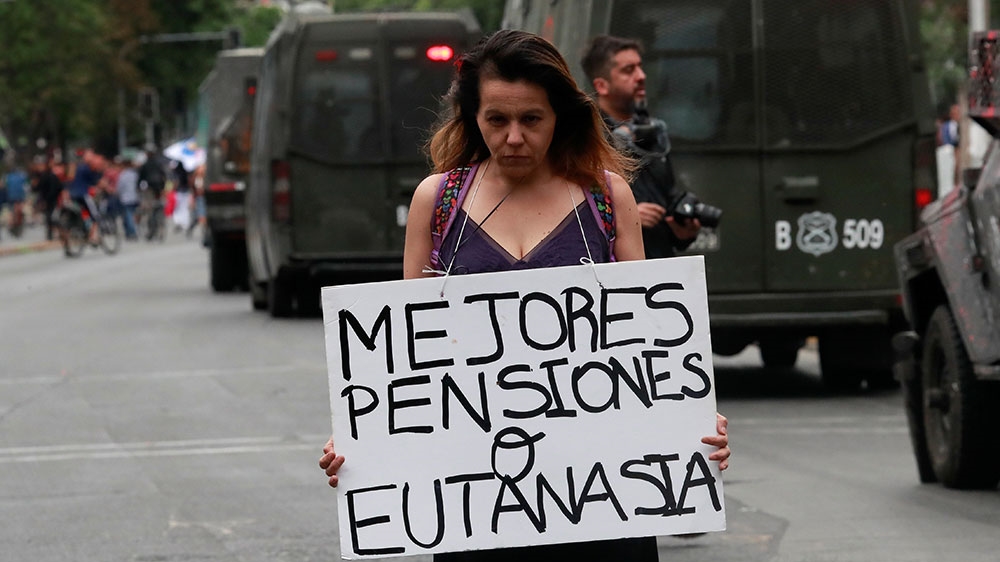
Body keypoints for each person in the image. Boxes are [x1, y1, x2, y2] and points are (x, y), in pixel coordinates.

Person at [319, 29, 730, 562]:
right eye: (497, 120)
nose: (514, 137)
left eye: (531, 119)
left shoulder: (607, 198)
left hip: (603, 507)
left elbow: (650, 356)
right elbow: (407, 368)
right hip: (479, 516)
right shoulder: (437, 203)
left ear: (559, 116)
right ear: (473, 118)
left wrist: (693, 423)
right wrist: (367, 444)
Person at [581, 35, 701, 259]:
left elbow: (666, 196)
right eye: (629, 70)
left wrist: (682, 230)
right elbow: (577, 212)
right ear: (601, 85)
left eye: (640, 67)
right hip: (615, 276)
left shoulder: (652, 131)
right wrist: (626, 215)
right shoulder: (585, 138)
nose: (641, 76)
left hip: (659, 270)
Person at [116, 157, 140, 240]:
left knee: (128, 216)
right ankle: (133, 231)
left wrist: (118, 194)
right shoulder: (135, 174)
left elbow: (119, 187)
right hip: (135, 197)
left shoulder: (123, 175)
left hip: (126, 198)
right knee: (133, 215)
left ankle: (132, 232)